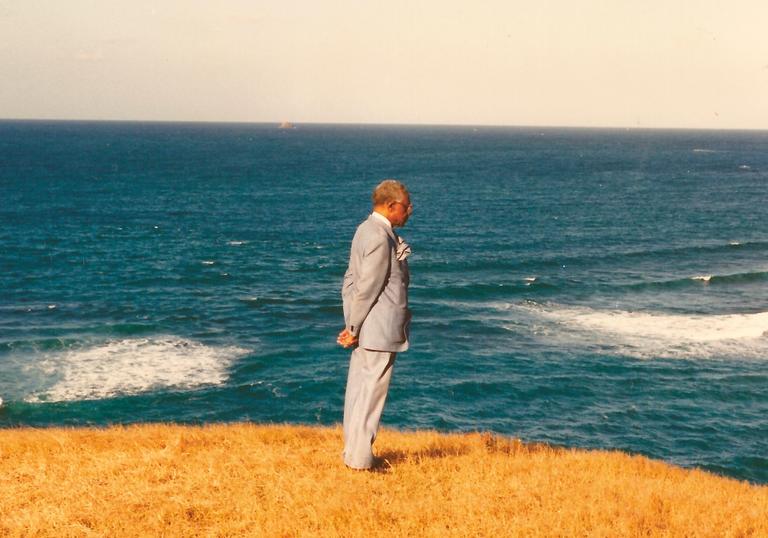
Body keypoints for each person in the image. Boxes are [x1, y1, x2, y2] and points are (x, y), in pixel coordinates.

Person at [337, 179, 413, 470]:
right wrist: (353, 327)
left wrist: (351, 323)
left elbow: (350, 281)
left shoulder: (364, 230)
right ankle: (360, 460)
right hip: (378, 329)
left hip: (366, 327)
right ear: (391, 206)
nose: (410, 211)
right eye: (406, 207)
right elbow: (368, 286)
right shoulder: (381, 237)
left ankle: (353, 454)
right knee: (370, 395)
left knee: (358, 391)